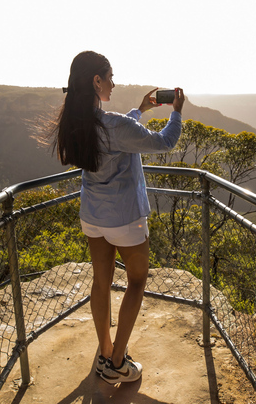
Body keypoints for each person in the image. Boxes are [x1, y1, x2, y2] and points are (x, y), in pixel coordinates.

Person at [52, 50, 184, 384]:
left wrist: (140, 109)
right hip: (124, 218)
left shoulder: (76, 123)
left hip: (92, 216)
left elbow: (118, 130)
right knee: (137, 280)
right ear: (97, 81)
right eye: (110, 76)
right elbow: (164, 142)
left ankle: (105, 352)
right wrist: (176, 113)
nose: (114, 82)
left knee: (101, 282)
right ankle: (117, 361)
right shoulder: (114, 125)